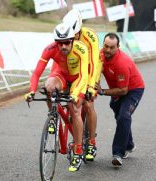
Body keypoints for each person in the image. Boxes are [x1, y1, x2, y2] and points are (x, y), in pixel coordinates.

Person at [24, 23, 89, 172]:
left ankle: (78, 151)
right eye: (59, 43)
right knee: (49, 87)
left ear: (72, 40)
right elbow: (36, 73)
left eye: (66, 42)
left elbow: (84, 75)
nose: (63, 47)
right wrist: (32, 91)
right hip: (61, 76)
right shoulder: (49, 49)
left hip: (78, 79)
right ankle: (53, 115)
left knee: (75, 109)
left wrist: (74, 94)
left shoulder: (81, 49)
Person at [52, 9, 102, 161]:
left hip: (90, 69)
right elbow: (57, 62)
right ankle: (76, 135)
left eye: (75, 35)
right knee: (69, 101)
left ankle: (92, 143)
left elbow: (93, 63)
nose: (71, 39)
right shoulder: (64, 38)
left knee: (87, 104)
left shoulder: (90, 36)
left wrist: (91, 87)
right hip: (72, 69)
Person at [95, 33, 145, 167]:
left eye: (112, 47)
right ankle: (129, 144)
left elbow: (123, 90)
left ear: (118, 47)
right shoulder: (100, 55)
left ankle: (118, 153)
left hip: (133, 90)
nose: (108, 50)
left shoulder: (122, 63)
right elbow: (95, 71)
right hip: (117, 90)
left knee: (124, 117)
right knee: (120, 117)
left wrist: (102, 91)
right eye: (106, 46)